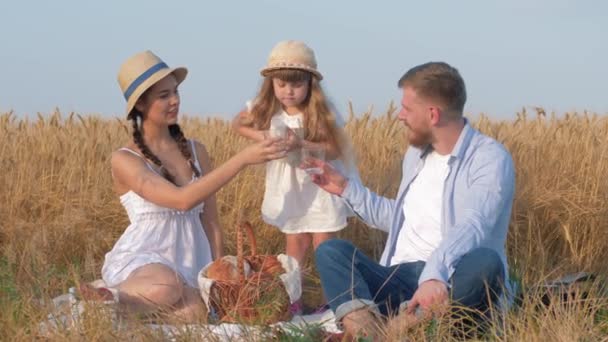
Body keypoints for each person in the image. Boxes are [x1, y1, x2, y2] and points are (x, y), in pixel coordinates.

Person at [310, 62, 515, 338]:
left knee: (486, 262)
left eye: (406, 108)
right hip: (398, 279)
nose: (399, 115)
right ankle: (373, 333)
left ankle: (399, 326)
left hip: (451, 279)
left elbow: (474, 223)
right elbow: (402, 218)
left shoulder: (489, 158)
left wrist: (434, 275)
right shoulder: (416, 156)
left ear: (432, 114)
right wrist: (346, 189)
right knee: (331, 252)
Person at [81, 50, 286, 322]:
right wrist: (243, 159)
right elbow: (182, 200)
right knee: (166, 285)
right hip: (147, 259)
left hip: (191, 260)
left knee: (197, 312)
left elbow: (210, 221)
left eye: (175, 92)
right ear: (140, 104)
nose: (175, 100)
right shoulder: (125, 159)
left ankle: (120, 309)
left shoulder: (196, 151)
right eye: (163, 95)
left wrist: (219, 274)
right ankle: (105, 300)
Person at [232, 40, 357, 313]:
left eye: (297, 84)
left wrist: (302, 144)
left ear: (311, 83)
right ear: (271, 83)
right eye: (281, 84)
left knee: (325, 245)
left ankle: (334, 301)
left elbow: (335, 149)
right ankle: (293, 300)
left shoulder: (321, 111)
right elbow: (237, 123)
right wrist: (263, 137)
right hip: (289, 186)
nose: (288, 91)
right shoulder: (265, 107)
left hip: (319, 183)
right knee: (295, 242)